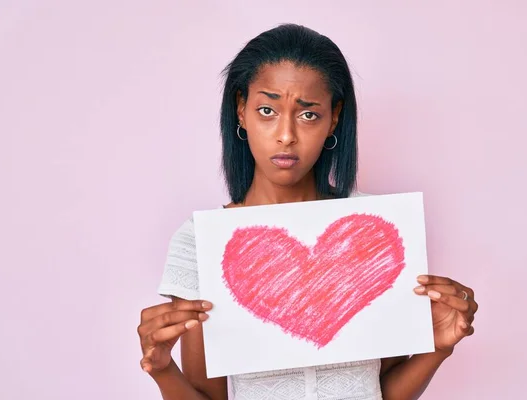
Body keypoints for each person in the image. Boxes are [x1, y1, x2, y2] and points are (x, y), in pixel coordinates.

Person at [137, 24, 479, 400]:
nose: (286, 135)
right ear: (240, 110)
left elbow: (383, 392)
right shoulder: (200, 241)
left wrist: (440, 348)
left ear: (334, 117)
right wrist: (163, 370)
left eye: (308, 115)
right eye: (267, 110)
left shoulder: (376, 234)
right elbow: (208, 395)